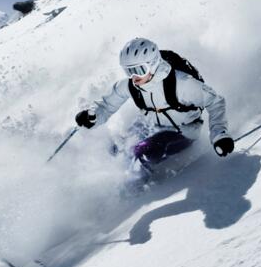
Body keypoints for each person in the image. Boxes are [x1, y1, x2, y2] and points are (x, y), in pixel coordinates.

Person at [75, 38, 234, 178]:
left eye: (138, 70)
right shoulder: (130, 85)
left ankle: (134, 195)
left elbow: (215, 102)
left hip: (181, 132)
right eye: (128, 71)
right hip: (149, 125)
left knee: (138, 155)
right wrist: (93, 117)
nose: (134, 76)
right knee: (117, 150)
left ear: (153, 65)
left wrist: (219, 134)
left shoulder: (182, 83)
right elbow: (106, 105)